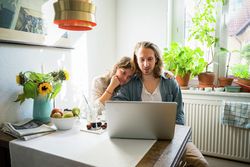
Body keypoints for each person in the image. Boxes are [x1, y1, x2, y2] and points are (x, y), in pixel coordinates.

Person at [112, 41, 209, 167]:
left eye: (150, 59)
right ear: (136, 60)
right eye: (141, 60)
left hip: (171, 137)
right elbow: (117, 106)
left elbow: (179, 115)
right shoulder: (131, 84)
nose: (146, 64)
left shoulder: (170, 82)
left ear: (156, 59)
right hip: (140, 139)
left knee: (201, 163)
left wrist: (173, 137)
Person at [91, 56, 174, 116]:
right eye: (123, 72)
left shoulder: (128, 86)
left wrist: (164, 72)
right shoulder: (99, 81)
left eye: (129, 77)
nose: (124, 78)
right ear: (116, 67)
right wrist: (111, 87)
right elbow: (95, 110)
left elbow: (147, 72)